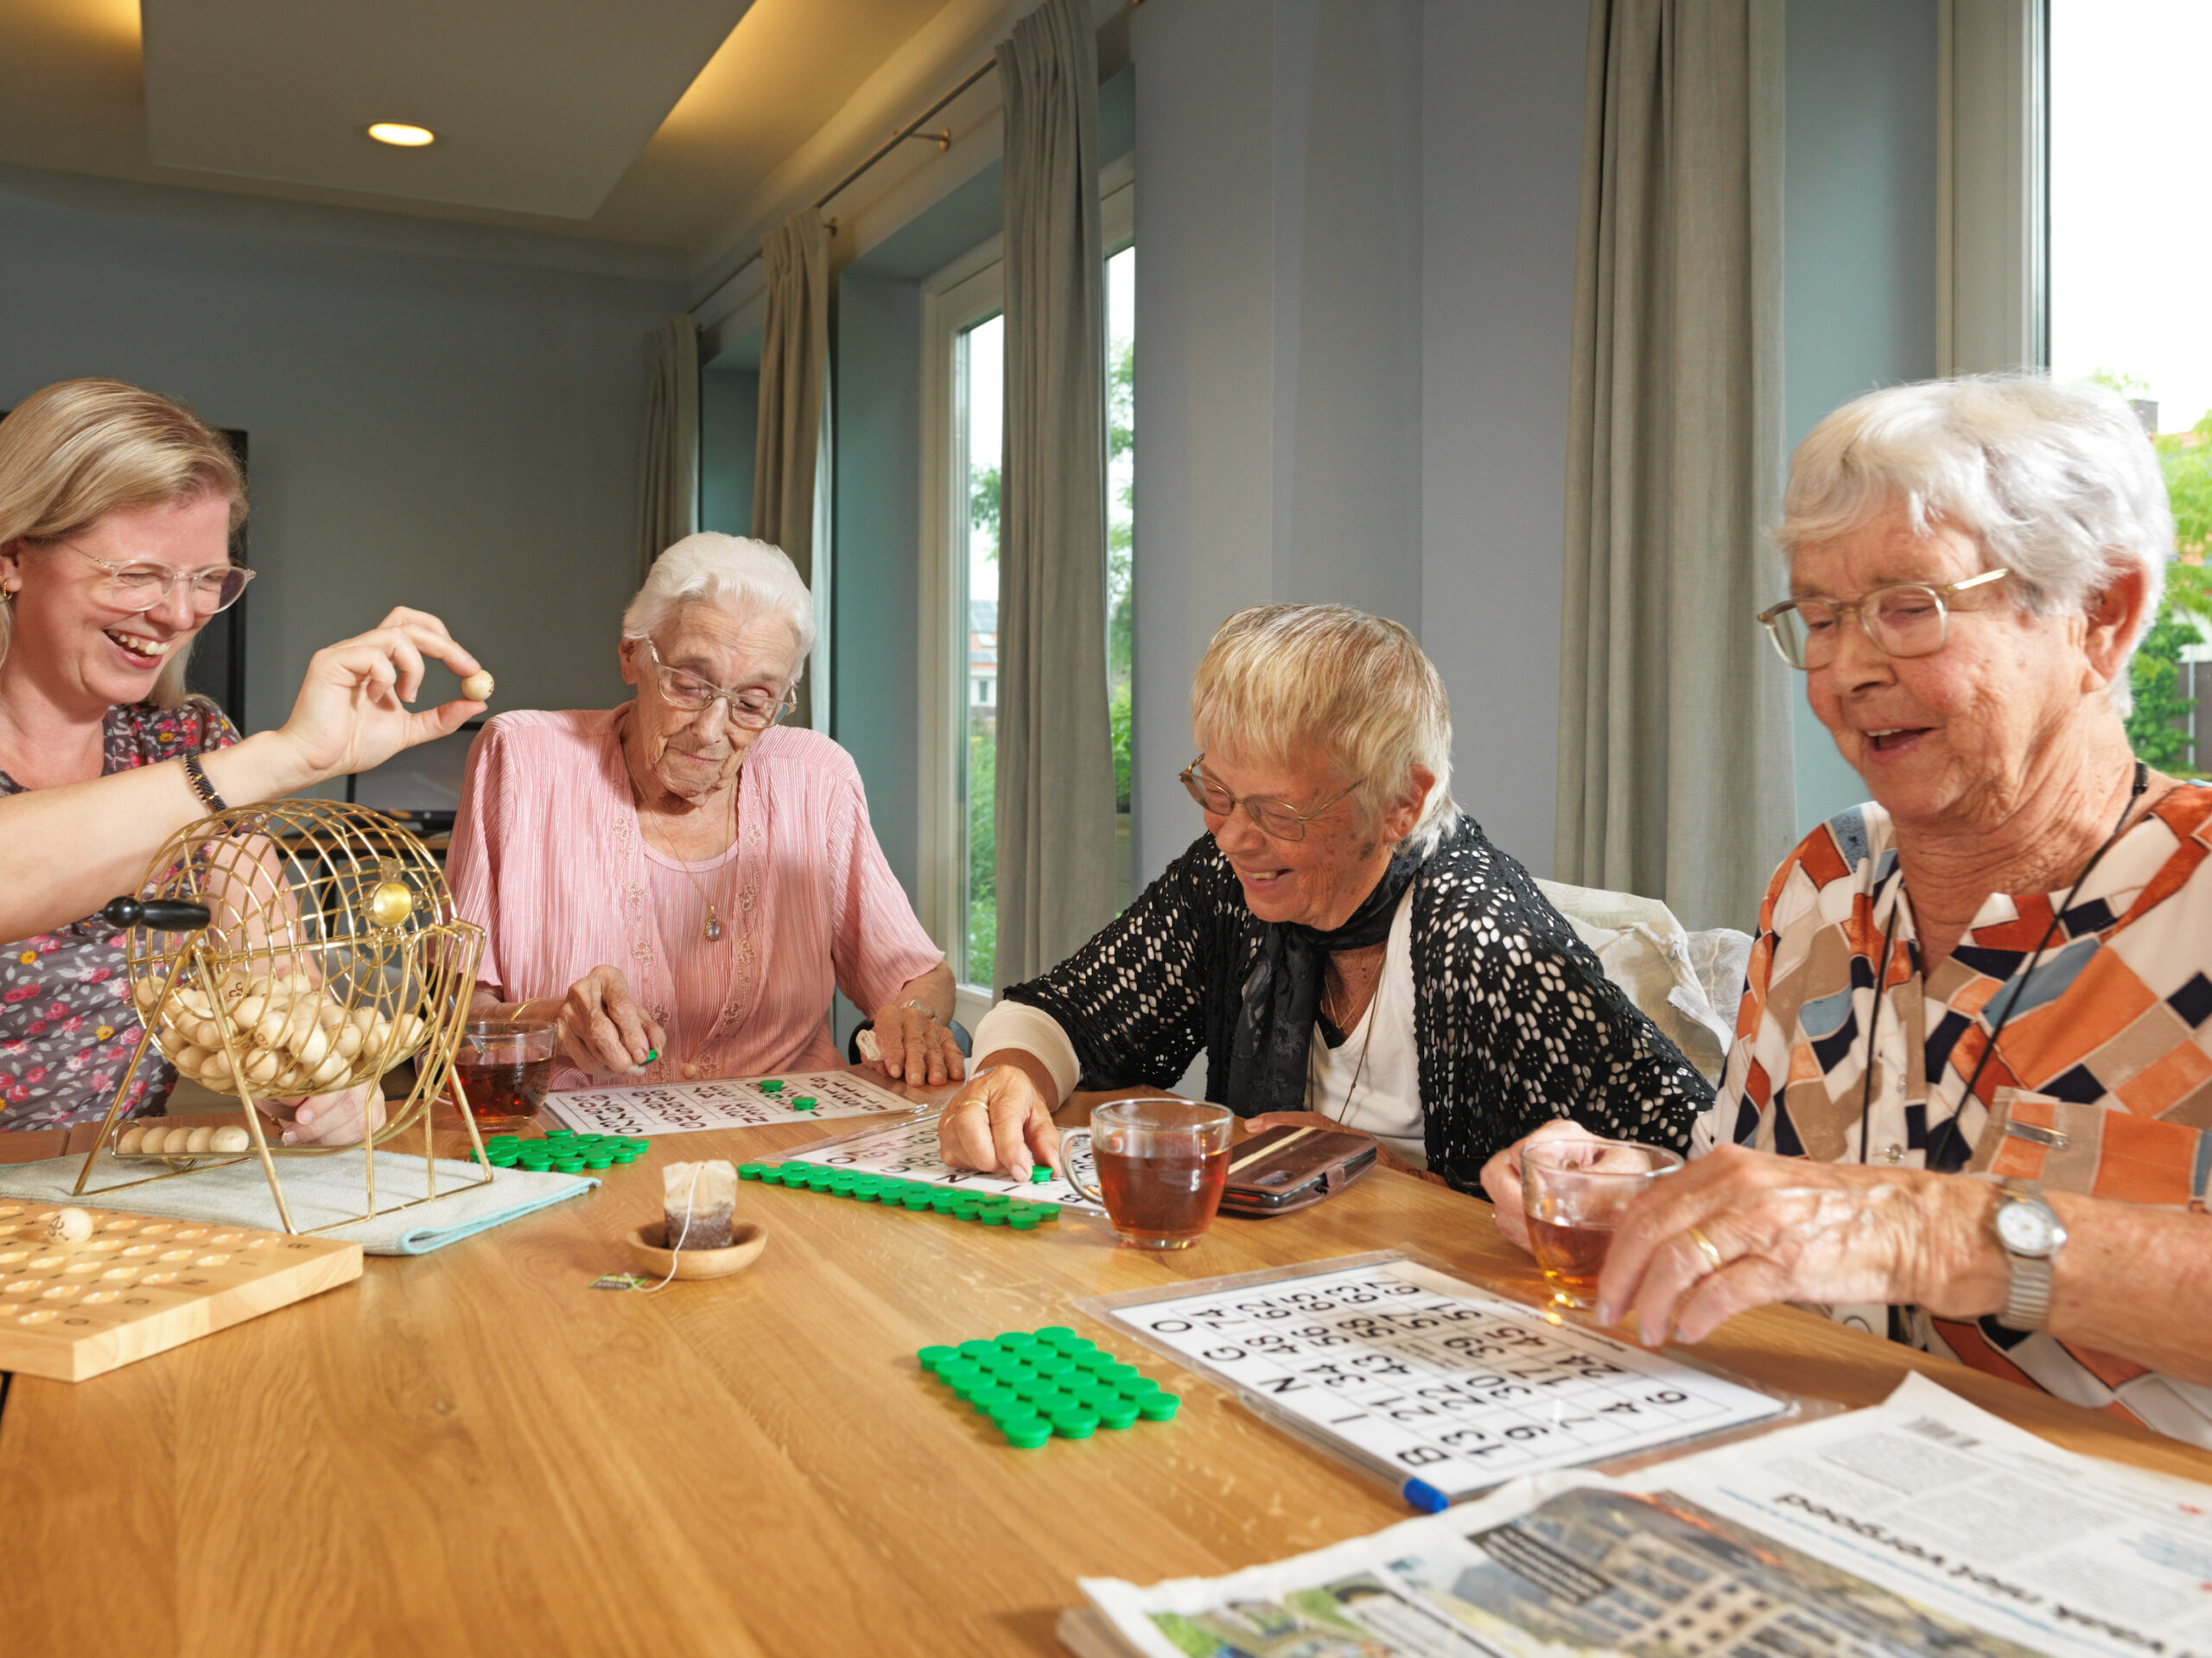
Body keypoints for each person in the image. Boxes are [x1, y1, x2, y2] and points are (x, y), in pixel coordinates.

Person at [1484, 374, 2212, 1445]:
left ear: (2099, 614)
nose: (1844, 671)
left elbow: (1892, 1226)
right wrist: (1646, 1190)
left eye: (1907, 608)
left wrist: (1933, 1230)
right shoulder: (1825, 884)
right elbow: (1790, 1191)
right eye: (1819, 617)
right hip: (1809, 1482)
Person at [937, 603, 1712, 1188]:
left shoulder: (1485, 937)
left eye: (1278, 810)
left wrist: (1373, 1174)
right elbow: (1066, 1010)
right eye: (1216, 790)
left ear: (1402, 803)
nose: (1234, 835)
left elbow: (1683, 1164)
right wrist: (1010, 1073)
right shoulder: (1230, 883)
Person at [0, 378, 487, 1142]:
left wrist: (326, 1081)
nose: (177, 614)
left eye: (205, 580)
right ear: (13, 557)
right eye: (137, 574)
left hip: (106, 1205)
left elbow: (278, 995)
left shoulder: (179, 743)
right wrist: (285, 757)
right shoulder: (220, 770)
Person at [448, 533, 961, 1090]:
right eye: (689, 685)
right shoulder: (524, 758)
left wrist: (913, 1019)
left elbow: (916, 975)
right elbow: (451, 1013)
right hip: (575, 1148)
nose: (712, 730)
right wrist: (551, 1024)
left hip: (786, 1144)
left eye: (752, 701)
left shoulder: (816, 777)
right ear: (631, 655)